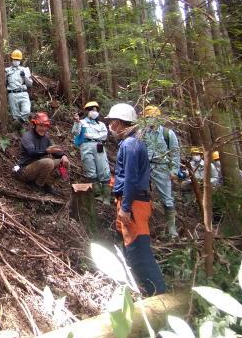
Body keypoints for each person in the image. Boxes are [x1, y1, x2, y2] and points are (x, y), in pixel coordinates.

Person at [105, 103, 166, 296]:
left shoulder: (131, 144)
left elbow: (131, 178)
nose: (110, 126)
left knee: (138, 251)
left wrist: (125, 207)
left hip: (134, 204)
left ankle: (158, 296)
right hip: (130, 201)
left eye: (113, 122)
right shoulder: (131, 143)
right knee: (127, 246)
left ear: (121, 123)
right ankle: (135, 287)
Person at [141, 105, 181, 238]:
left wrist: (174, 170)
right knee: (142, 195)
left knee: (167, 199)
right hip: (145, 167)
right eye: (147, 117)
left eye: (152, 117)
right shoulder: (142, 133)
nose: (150, 120)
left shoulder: (168, 134)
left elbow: (175, 153)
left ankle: (171, 228)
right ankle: (145, 225)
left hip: (162, 167)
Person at [13, 112, 70, 195]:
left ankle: (48, 184)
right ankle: (37, 186)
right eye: (40, 125)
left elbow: (55, 152)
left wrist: (64, 156)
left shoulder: (46, 138)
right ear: (34, 125)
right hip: (24, 170)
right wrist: (46, 151)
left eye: (45, 126)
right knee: (48, 162)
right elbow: (32, 153)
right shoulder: (28, 137)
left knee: (64, 163)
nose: (43, 128)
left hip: (39, 168)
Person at [72, 101, 110, 201]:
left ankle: (106, 197)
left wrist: (90, 135)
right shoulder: (81, 122)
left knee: (104, 169)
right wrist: (76, 122)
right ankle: (97, 196)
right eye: (92, 110)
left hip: (99, 145)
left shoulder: (101, 124)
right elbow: (75, 133)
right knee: (91, 170)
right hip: (86, 146)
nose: (94, 112)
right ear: (87, 111)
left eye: (96, 110)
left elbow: (104, 135)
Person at [5, 49, 32, 125]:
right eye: (14, 59)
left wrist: (25, 77)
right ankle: (18, 132)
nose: (16, 61)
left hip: (23, 94)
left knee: (27, 111)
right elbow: (3, 83)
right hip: (12, 94)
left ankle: (14, 126)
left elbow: (30, 84)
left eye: (18, 59)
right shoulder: (7, 71)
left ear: (20, 60)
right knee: (15, 117)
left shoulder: (25, 69)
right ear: (12, 59)